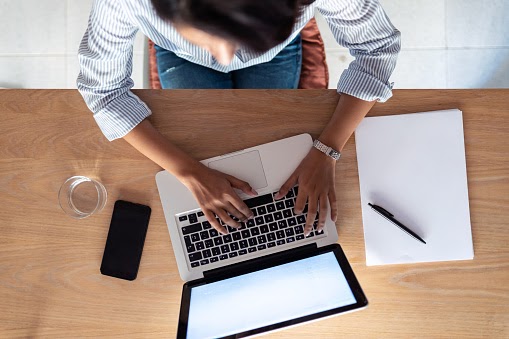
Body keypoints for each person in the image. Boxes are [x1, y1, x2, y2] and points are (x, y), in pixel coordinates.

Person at [77, 0, 400, 237]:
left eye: (240, 39)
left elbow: (377, 48)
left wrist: (328, 148)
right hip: (180, 55)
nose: (227, 58)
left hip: (277, 49)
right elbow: (103, 91)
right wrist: (188, 172)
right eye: (205, 36)